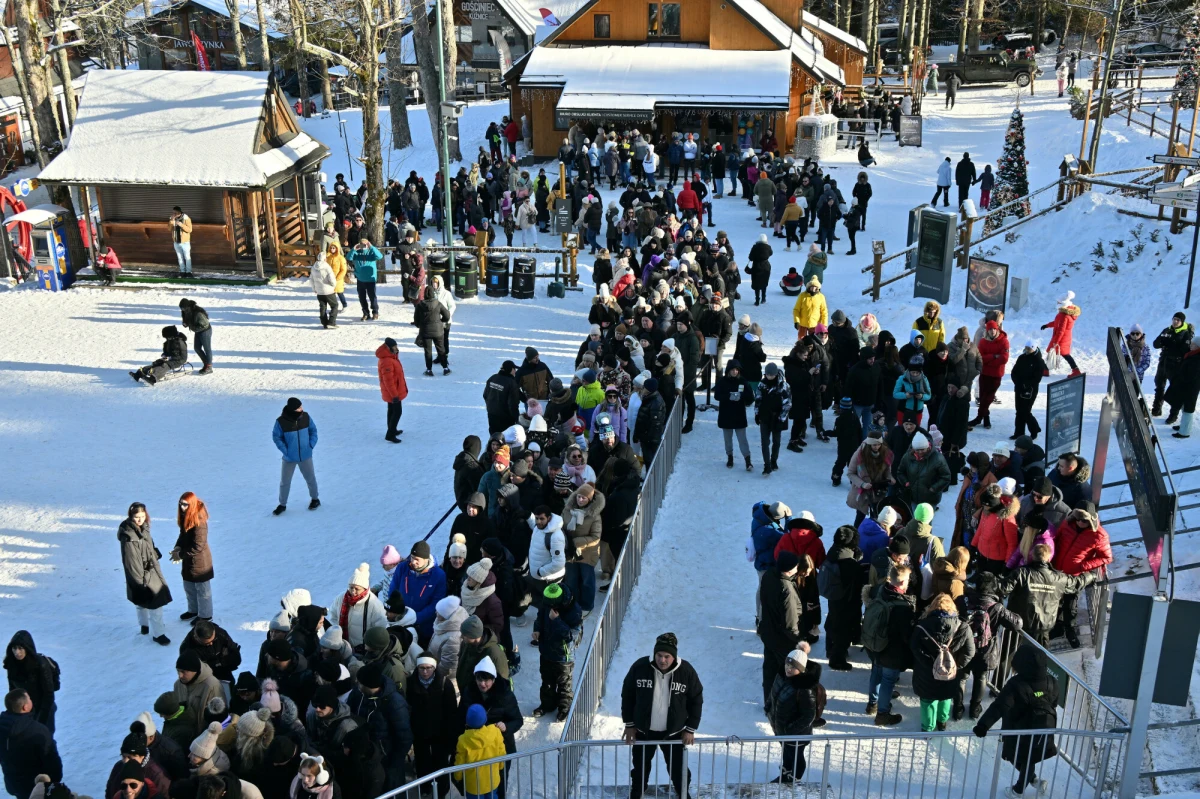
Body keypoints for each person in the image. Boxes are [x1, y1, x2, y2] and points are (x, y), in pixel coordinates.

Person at [620, 633, 703, 799]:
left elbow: (696, 699)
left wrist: (690, 728)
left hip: (674, 734)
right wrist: (629, 725)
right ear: (654, 653)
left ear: (674, 655)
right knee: (640, 770)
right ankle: (636, 795)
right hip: (644, 732)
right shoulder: (640, 667)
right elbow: (627, 695)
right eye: (659, 655)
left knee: (679, 770)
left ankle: (683, 794)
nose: (662, 660)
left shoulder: (686, 671)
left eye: (667, 656)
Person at [973, 644, 1061, 797]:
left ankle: (1018, 790)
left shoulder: (1016, 685)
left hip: (1018, 731)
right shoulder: (1052, 682)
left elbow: (1000, 706)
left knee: (1024, 759)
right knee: (1025, 758)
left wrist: (983, 725)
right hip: (1042, 730)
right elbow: (1053, 703)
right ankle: (1034, 780)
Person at [998, 544, 1095, 646]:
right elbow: (1077, 582)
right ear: (1049, 557)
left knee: (1009, 656)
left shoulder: (1021, 573)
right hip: (1043, 628)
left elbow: (1002, 589)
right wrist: (1091, 575)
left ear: (1032, 555)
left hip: (1017, 625)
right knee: (1040, 658)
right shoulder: (1058, 578)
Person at [1050, 502, 1112, 647]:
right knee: (1056, 600)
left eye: (1083, 520)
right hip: (1057, 570)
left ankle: (1069, 629)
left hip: (1075, 575)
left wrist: (1084, 566)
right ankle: (1058, 628)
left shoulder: (1099, 535)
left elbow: (1106, 557)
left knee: (1070, 605)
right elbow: (1056, 539)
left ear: (1091, 519)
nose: (1079, 522)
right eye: (1077, 518)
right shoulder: (1067, 524)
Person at [910, 593, 975, 732]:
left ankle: (927, 728)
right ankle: (942, 722)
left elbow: (914, 648)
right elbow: (970, 651)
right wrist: (956, 666)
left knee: (927, 700)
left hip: (926, 673)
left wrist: (928, 665)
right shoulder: (963, 627)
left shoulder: (922, 626)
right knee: (945, 696)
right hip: (950, 672)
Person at [862, 563, 916, 725]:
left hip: (874, 643)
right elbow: (906, 634)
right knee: (887, 680)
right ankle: (883, 713)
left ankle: (872, 704)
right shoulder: (902, 607)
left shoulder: (879, 590)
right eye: (907, 580)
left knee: (876, 673)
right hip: (891, 650)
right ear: (901, 582)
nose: (908, 583)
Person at [119, 502, 173, 645]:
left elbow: (149, 545)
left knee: (141, 601)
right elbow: (132, 562)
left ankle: (145, 626)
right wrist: (142, 579)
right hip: (144, 574)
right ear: (131, 516)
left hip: (148, 570)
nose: (140, 519)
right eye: (137, 517)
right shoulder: (129, 537)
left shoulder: (143, 528)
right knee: (155, 603)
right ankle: (158, 634)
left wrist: (155, 553)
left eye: (142, 516)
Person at [764, 647, 819, 783]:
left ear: (801, 669)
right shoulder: (781, 675)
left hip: (796, 734)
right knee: (787, 754)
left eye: (793, 667)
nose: (788, 669)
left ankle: (794, 778)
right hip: (782, 729)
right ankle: (786, 775)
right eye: (787, 664)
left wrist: (790, 730)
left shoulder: (805, 688)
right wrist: (768, 707)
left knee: (796, 756)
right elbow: (773, 692)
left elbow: (808, 715)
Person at [408, 657, 458, 797]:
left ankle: (441, 792)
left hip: (440, 732)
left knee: (440, 762)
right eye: (421, 668)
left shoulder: (444, 684)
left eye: (428, 668)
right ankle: (424, 789)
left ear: (434, 668)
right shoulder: (411, 683)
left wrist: (450, 735)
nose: (425, 672)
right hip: (419, 732)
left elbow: (451, 711)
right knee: (422, 762)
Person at [533, 583, 582, 721]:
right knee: (547, 681)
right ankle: (547, 705)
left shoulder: (574, 611)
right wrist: (536, 629)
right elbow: (540, 617)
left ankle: (564, 708)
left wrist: (556, 620)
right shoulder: (547, 602)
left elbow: (570, 635)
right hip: (546, 650)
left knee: (564, 684)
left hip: (563, 655)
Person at [0, 689, 61, 799]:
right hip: (39, 788)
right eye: (29, 698)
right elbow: (53, 764)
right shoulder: (38, 730)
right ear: (25, 707)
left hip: (15, 785)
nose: (31, 700)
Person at [388, 542, 447, 647]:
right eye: (412, 558)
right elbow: (393, 590)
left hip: (424, 627)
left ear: (426, 559)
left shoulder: (438, 575)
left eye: (417, 559)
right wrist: (396, 611)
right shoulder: (402, 568)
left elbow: (436, 604)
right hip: (402, 622)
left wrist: (415, 618)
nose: (413, 562)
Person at [170, 491, 214, 624]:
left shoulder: (200, 521)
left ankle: (205, 616)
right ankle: (194, 610)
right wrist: (177, 547)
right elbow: (183, 535)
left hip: (200, 562)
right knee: (189, 586)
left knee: (202, 590)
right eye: (181, 504)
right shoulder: (186, 516)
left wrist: (180, 555)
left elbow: (198, 546)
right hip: (189, 560)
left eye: (185, 505)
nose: (182, 507)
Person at [272, 398, 320, 515]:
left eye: (301, 406)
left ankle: (315, 499)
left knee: (310, 478)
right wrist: (286, 451)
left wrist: (310, 445)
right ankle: (282, 504)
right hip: (289, 458)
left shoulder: (306, 417)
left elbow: (313, 431)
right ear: (293, 409)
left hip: (305, 455)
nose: (301, 409)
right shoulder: (281, 422)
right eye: (299, 407)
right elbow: (276, 437)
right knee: (285, 482)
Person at [2, 634, 56, 734]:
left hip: (44, 707)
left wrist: (41, 721)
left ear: (27, 648)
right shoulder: (11, 664)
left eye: (20, 648)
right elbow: (13, 691)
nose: (17, 652)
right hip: (24, 708)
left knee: (44, 737)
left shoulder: (40, 664)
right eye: (14, 648)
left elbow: (48, 694)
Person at [453, 703, 506, 799]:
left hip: (473, 784)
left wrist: (458, 776)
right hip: (492, 779)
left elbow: (460, 761)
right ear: (485, 718)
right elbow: (501, 752)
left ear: (467, 722)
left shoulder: (463, 740)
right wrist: (501, 766)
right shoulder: (495, 732)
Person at [714, 359, 755, 471]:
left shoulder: (743, 381)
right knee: (728, 439)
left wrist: (741, 396)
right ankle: (730, 457)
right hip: (726, 415)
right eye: (733, 369)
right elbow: (717, 395)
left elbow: (751, 397)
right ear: (728, 370)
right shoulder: (722, 381)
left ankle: (747, 460)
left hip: (739, 415)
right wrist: (728, 396)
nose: (735, 372)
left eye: (737, 370)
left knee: (742, 439)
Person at [1153, 312, 1194, 419]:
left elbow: (1184, 350)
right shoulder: (1167, 330)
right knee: (1159, 386)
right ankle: (1156, 409)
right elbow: (1155, 344)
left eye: (1178, 320)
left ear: (1182, 322)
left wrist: (1171, 342)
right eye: (1174, 319)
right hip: (1163, 362)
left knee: (1175, 389)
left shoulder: (1186, 333)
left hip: (1176, 364)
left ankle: (1173, 414)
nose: (1175, 322)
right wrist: (1162, 341)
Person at [970, 321, 1010, 429]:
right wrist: (994, 356)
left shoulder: (1004, 341)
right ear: (987, 330)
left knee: (988, 398)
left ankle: (979, 418)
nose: (992, 331)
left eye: (994, 329)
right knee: (983, 397)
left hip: (996, 375)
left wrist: (989, 360)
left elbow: (1004, 358)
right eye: (990, 329)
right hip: (985, 373)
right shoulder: (983, 342)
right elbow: (981, 357)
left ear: (997, 329)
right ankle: (986, 419)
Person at [1011, 341, 1047, 440]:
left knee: (1026, 411)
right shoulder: (1021, 358)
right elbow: (1014, 372)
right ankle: (1018, 433)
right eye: (1026, 348)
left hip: (1030, 390)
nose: (1026, 350)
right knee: (1019, 411)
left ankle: (1034, 429)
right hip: (1019, 388)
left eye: (1029, 348)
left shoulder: (1038, 361)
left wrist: (1026, 385)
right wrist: (1017, 382)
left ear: (1034, 349)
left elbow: (1037, 379)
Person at [376, 338, 408, 444]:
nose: (397, 348)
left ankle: (392, 430)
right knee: (397, 412)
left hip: (394, 390)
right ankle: (390, 434)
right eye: (394, 347)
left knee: (391, 410)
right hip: (393, 392)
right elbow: (388, 381)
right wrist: (394, 395)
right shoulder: (387, 361)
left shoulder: (390, 358)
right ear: (388, 348)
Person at [1042, 291, 1081, 377]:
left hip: (1061, 339)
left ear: (1063, 303)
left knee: (1056, 353)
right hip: (1064, 338)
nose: (1057, 303)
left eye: (1059, 302)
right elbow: (1057, 323)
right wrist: (1047, 325)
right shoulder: (1065, 314)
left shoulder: (1064, 315)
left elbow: (1061, 330)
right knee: (1060, 354)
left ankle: (1045, 370)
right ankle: (1045, 369)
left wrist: (1056, 342)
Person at [483, 361, 522, 434]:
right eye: (514, 369)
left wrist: (490, 407)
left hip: (492, 415)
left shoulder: (493, 378)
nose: (515, 372)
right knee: (505, 439)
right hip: (506, 418)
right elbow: (513, 404)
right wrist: (517, 419)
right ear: (511, 370)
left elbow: (485, 395)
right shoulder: (511, 383)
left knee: (494, 439)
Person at [349, 240, 383, 321]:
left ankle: (375, 312)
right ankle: (365, 313)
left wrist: (371, 247)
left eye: (365, 244)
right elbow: (349, 257)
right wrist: (354, 249)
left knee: (372, 297)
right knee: (362, 298)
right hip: (360, 279)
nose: (364, 246)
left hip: (370, 279)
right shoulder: (356, 253)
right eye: (362, 244)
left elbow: (380, 256)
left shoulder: (371, 253)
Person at [309, 254, 339, 328]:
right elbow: (332, 279)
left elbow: (311, 279)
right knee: (334, 305)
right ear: (325, 259)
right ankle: (331, 322)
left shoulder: (313, 267)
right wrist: (334, 286)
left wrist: (314, 289)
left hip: (319, 292)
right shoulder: (327, 267)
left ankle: (324, 323)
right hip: (328, 291)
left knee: (323, 307)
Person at [170, 206, 193, 277]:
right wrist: (171, 221)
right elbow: (169, 228)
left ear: (179, 212)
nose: (173, 214)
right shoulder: (172, 219)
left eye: (175, 213)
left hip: (185, 242)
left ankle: (188, 272)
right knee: (180, 257)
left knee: (187, 257)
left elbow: (190, 230)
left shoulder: (186, 218)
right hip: (176, 241)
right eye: (173, 212)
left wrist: (181, 225)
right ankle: (182, 271)